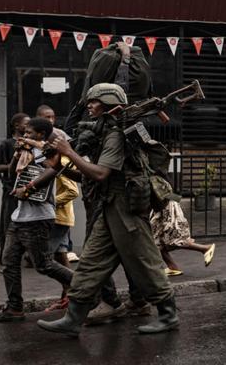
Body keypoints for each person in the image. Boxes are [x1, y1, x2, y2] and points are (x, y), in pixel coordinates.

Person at [37, 83, 179, 336]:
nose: (89, 106)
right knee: (91, 261)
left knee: (144, 261)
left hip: (126, 207)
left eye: (93, 101)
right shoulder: (103, 131)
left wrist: (68, 152)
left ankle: (168, 315)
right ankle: (73, 318)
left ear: (108, 102)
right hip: (110, 206)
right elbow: (91, 177)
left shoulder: (115, 134)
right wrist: (61, 167)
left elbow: (101, 173)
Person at [0, 118, 74, 323]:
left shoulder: (48, 152)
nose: (24, 137)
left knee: (43, 265)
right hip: (19, 217)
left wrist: (30, 187)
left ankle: (87, 287)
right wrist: (17, 154)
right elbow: (10, 174)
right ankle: (15, 308)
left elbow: (53, 171)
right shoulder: (25, 151)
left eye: (29, 133)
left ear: (41, 135)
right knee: (9, 263)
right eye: (23, 133)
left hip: (39, 217)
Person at [43, 154, 79, 312]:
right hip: (59, 217)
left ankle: (80, 290)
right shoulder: (51, 160)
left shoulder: (62, 162)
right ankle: (68, 298)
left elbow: (72, 191)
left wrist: (50, 202)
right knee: (60, 256)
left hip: (58, 218)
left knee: (43, 259)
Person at [0, 113, 29, 267]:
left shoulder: (31, 144)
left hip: (27, 189)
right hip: (11, 190)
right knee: (8, 224)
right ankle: (5, 259)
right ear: (16, 126)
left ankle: (29, 257)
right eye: (25, 124)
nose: (28, 127)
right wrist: (13, 166)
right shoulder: (6, 144)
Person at [150, 200, 216, 276]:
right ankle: (172, 267)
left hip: (165, 206)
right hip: (159, 207)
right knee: (157, 239)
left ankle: (205, 248)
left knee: (174, 238)